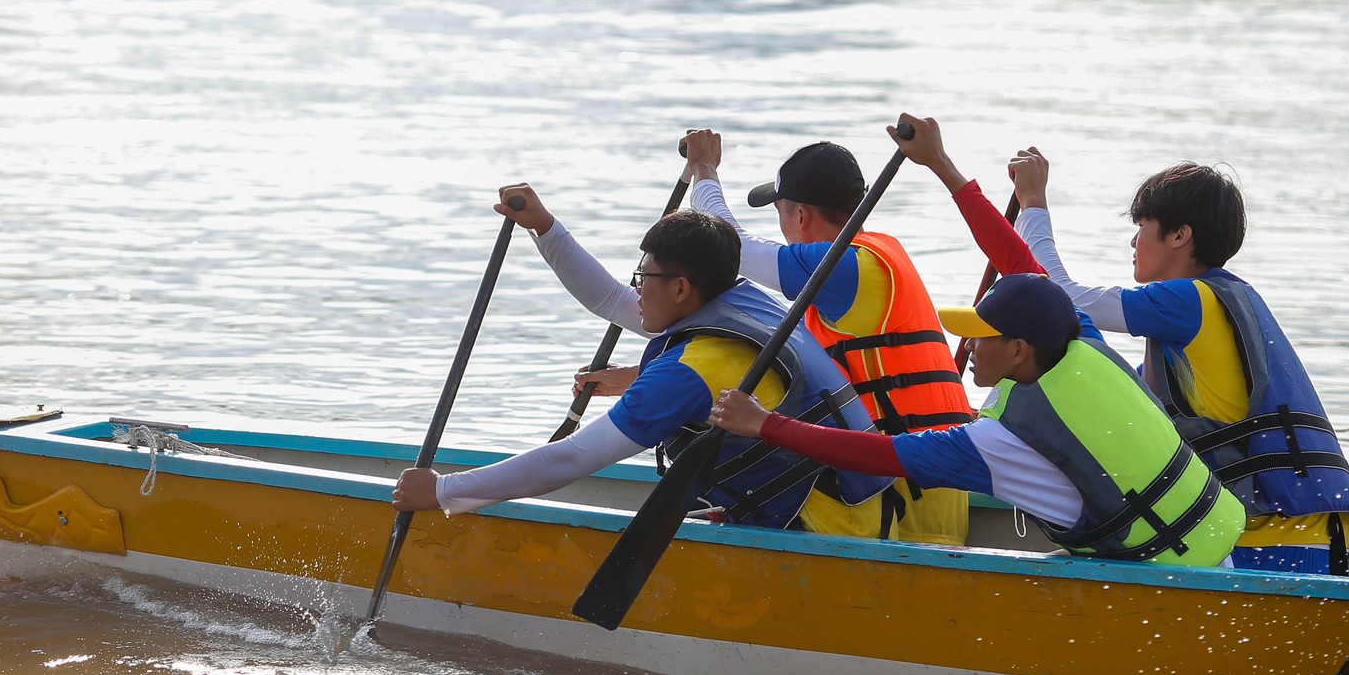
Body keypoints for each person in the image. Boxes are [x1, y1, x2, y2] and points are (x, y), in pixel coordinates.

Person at [889, 114, 1349, 576]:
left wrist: (1026, 199)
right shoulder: (1201, 315)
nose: (1133, 241)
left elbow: (1051, 290)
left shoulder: (1190, 302)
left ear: (1179, 235)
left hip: (1277, 543)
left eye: (1142, 227)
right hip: (1297, 538)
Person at [390, 197, 897, 535]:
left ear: (680, 288)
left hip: (818, 526)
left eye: (643, 276)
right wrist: (545, 228)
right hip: (862, 509)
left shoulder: (692, 368)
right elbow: (611, 299)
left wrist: (442, 491)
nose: (635, 287)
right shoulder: (746, 300)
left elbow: (572, 460)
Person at [706, 273, 1246, 568]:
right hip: (1214, 550)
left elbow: (878, 455)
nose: (968, 344)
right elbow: (1042, 286)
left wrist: (766, 425)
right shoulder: (1088, 348)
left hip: (1159, 578)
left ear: (1018, 349)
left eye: (982, 334)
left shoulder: (999, 441)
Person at [637, 127, 978, 548]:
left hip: (899, 499)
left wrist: (704, 170)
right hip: (923, 489)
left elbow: (730, 248)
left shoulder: (850, 266)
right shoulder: (868, 266)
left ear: (799, 215)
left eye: (779, 213)